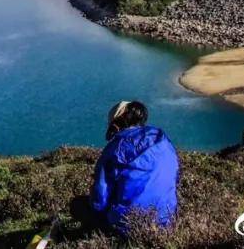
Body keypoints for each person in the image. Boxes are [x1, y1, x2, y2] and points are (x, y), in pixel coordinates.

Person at [71, 100, 179, 235]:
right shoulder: (163, 140)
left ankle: (90, 236)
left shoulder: (115, 148)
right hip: (167, 220)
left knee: (77, 205)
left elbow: (99, 201)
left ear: (115, 125)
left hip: (128, 225)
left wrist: (93, 196)